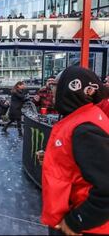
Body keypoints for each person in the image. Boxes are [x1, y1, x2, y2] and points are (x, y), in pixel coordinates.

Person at [41, 66, 109, 235]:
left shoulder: (85, 128)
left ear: (71, 88)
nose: (52, 92)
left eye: (55, 86)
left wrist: (76, 221)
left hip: (82, 227)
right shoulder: (83, 118)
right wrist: (51, 158)